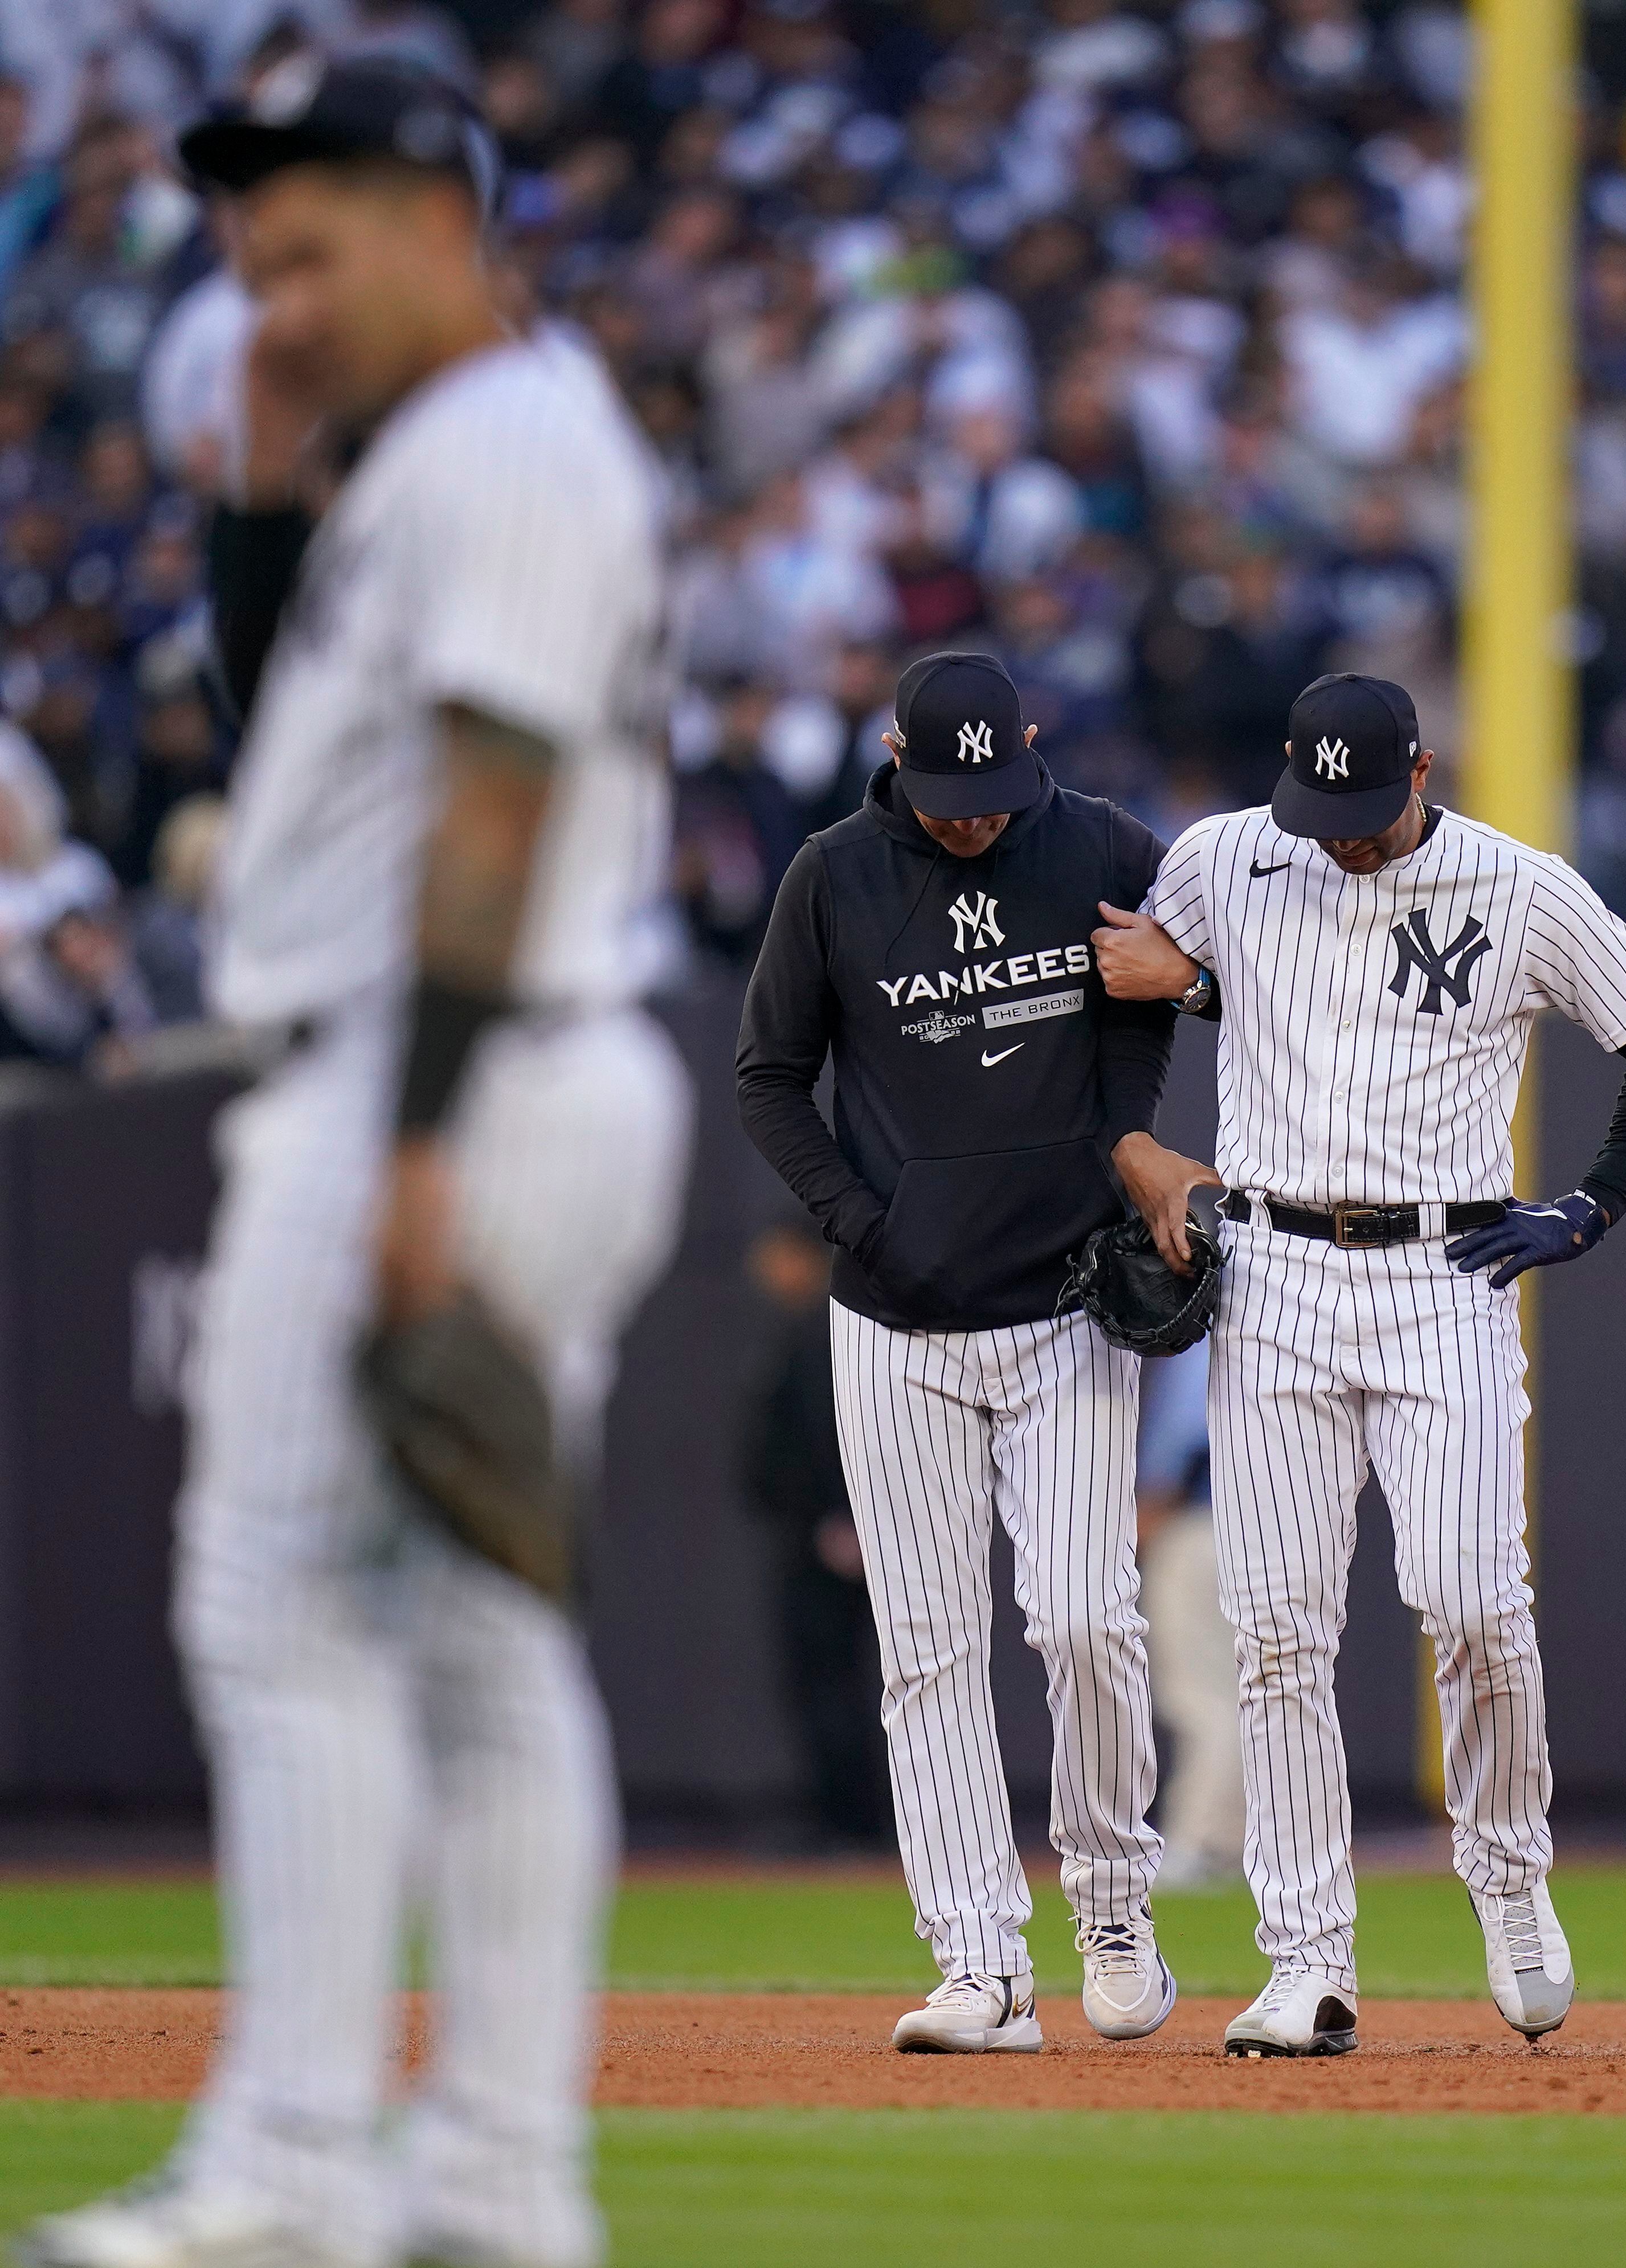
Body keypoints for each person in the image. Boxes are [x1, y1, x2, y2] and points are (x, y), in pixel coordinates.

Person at [23, 56, 691, 2268]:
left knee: (281, 1608)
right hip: (484, 1062)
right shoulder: (436, 454)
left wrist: (411, 1142)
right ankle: (495, 2183)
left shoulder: (508, 443)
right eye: (246, 261)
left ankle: (301, 2165)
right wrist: (261, 490)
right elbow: (326, 752)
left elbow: (493, 803)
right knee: (473, 1647)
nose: (273, 297)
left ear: (437, 221)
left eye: (309, 251)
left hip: (442, 1073)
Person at [1096, 671, 1626, 2057]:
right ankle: (1307, 1958)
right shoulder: (1226, 853)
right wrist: (1163, 1080)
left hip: (1444, 1272)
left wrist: (1592, 1201)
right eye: (1321, 810)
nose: (1341, 838)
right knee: (1276, 1629)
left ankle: (1507, 1877)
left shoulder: (1521, 883)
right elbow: (1141, 997)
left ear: (1423, 769)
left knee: (1469, 1595)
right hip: (1273, 1270)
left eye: (1367, 812)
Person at [736, 648, 1221, 2054]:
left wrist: (1134, 1122)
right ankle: (979, 1960)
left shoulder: (1101, 841)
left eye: (993, 789)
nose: (973, 819)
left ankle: (1114, 1906)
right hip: (894, 1318)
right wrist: (858, 1223)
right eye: (949, 796)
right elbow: (768, 1074)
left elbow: (1154, 1012)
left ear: (1026, 744)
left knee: (1083, 1617)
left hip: (1064, 1300)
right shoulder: (832, 872)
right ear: (893, 750)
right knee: (928, 1647)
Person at [741, 1219, 888, 1849]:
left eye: (775, 1256)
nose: (764, 1271)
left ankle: (853, 1822)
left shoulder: (827, 1332)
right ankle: (843, 1816)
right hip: (814, 1532)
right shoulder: (807, 1329)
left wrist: (845, 1517)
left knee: (832, 1681)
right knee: (822, 1681)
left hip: (832, 1538)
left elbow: (834, 1436)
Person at [1134, 1340, 1244, 1891]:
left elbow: (1187, 1442)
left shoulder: (1201, 1332)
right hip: (1251, 1528)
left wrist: (1146, 1516)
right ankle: (1232, 1839)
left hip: (1197, 1526)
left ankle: (1199, 1840)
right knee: (1240, 1690)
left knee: (1202, 1696)